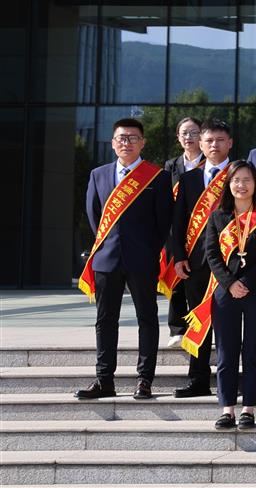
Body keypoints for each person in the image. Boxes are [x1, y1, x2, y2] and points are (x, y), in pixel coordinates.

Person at [77, 118, 173, 401]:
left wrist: (147, 249)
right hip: (107, 259)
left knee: (147, 318)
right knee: (105, 320)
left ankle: (144, 380)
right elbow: (94, 216)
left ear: (143, 142)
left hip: (142, 259)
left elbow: (163, 222)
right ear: (113, 143)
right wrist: (109, 245)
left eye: (132, 138)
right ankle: (104, 379)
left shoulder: (157, 177)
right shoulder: (98, 174)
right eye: (121, 138)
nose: (126, 143)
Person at [202, 160, 256, 430]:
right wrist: (230, 283)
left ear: (255, 184)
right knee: (226, 352)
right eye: (236, 180)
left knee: (254, 351)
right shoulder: (218, 216)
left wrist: (245, 281)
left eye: (247, 180)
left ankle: (249, 408)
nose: (241, 185)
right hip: (225, 293)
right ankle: (227, 409)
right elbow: (212, 254)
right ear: (229, 184)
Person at [167, 117, 235, 398]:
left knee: (229, 323)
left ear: (230, 143)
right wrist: (179, 256)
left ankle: (230, 379)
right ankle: (198, 379)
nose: (214, 145)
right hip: (195, 263)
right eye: (209, 140)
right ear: (201, 144)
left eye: (220, 140)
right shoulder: (189, 178)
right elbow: (178, 222)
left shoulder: (239, 174)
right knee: (198, 320)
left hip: (231, 263)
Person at [163, 116, 204, 347]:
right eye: (184, 133)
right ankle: (177, 328)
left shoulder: (209, 163)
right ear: (178, 137)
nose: (189, 137)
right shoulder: (172, 165)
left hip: (202, 229)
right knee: (177, 278)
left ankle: (203, 326)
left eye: (194, 132)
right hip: (177, 228)